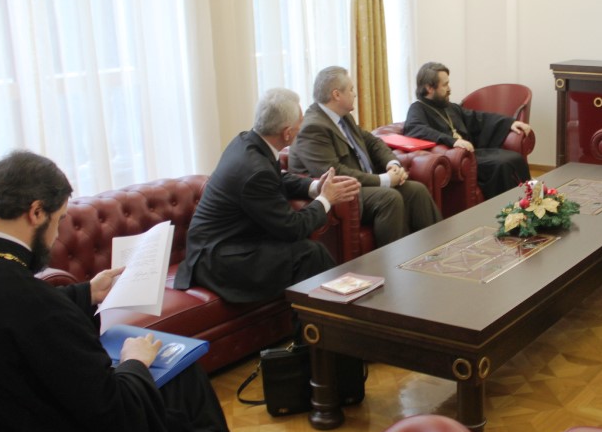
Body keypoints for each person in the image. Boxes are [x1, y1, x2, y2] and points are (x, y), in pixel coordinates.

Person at [0, 151, 256, 432]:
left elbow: (6, 315)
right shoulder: (29, 300)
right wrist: (135, 362)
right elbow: (114, 412)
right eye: (59, 220)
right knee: (184, 374)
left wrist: (87, 292)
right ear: (36, 212)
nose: (55, 235)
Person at [175, 88, 360, 303]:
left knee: (310, 253)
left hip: (233, 243)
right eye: (300, 122)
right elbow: (293, 228)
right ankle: (328, 318)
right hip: (218, 260)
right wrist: (326, 199)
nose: (303, 126)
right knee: (309, 254)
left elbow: (277, 178)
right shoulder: (255, 169)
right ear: (287, 133)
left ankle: (331, 313)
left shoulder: (248, 141)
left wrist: (315, 186)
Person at [288, 66, 441, 247]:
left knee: (417, 191)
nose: (355, 94)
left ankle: (438, 248)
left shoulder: (343, 116)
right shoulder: (313, 127)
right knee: (390, 198)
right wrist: (384, 180)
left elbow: (373, 142)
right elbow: (335, 172)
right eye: (351, 89)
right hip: (344, 193)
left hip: (363, 184)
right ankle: (397, 260)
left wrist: (392, 164)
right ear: (336, 95)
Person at [405, 62, 532, 200]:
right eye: (445, 85)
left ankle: (530, 201)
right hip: (454, 159)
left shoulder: (449, 107)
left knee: (515, 158)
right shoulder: (417, 109)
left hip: (471, 154)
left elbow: (478, 118)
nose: (449, 89)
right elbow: (416, 129)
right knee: (502, 164)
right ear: (429, 88)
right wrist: (452, 141)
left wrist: (509, 123)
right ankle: (509, 206)